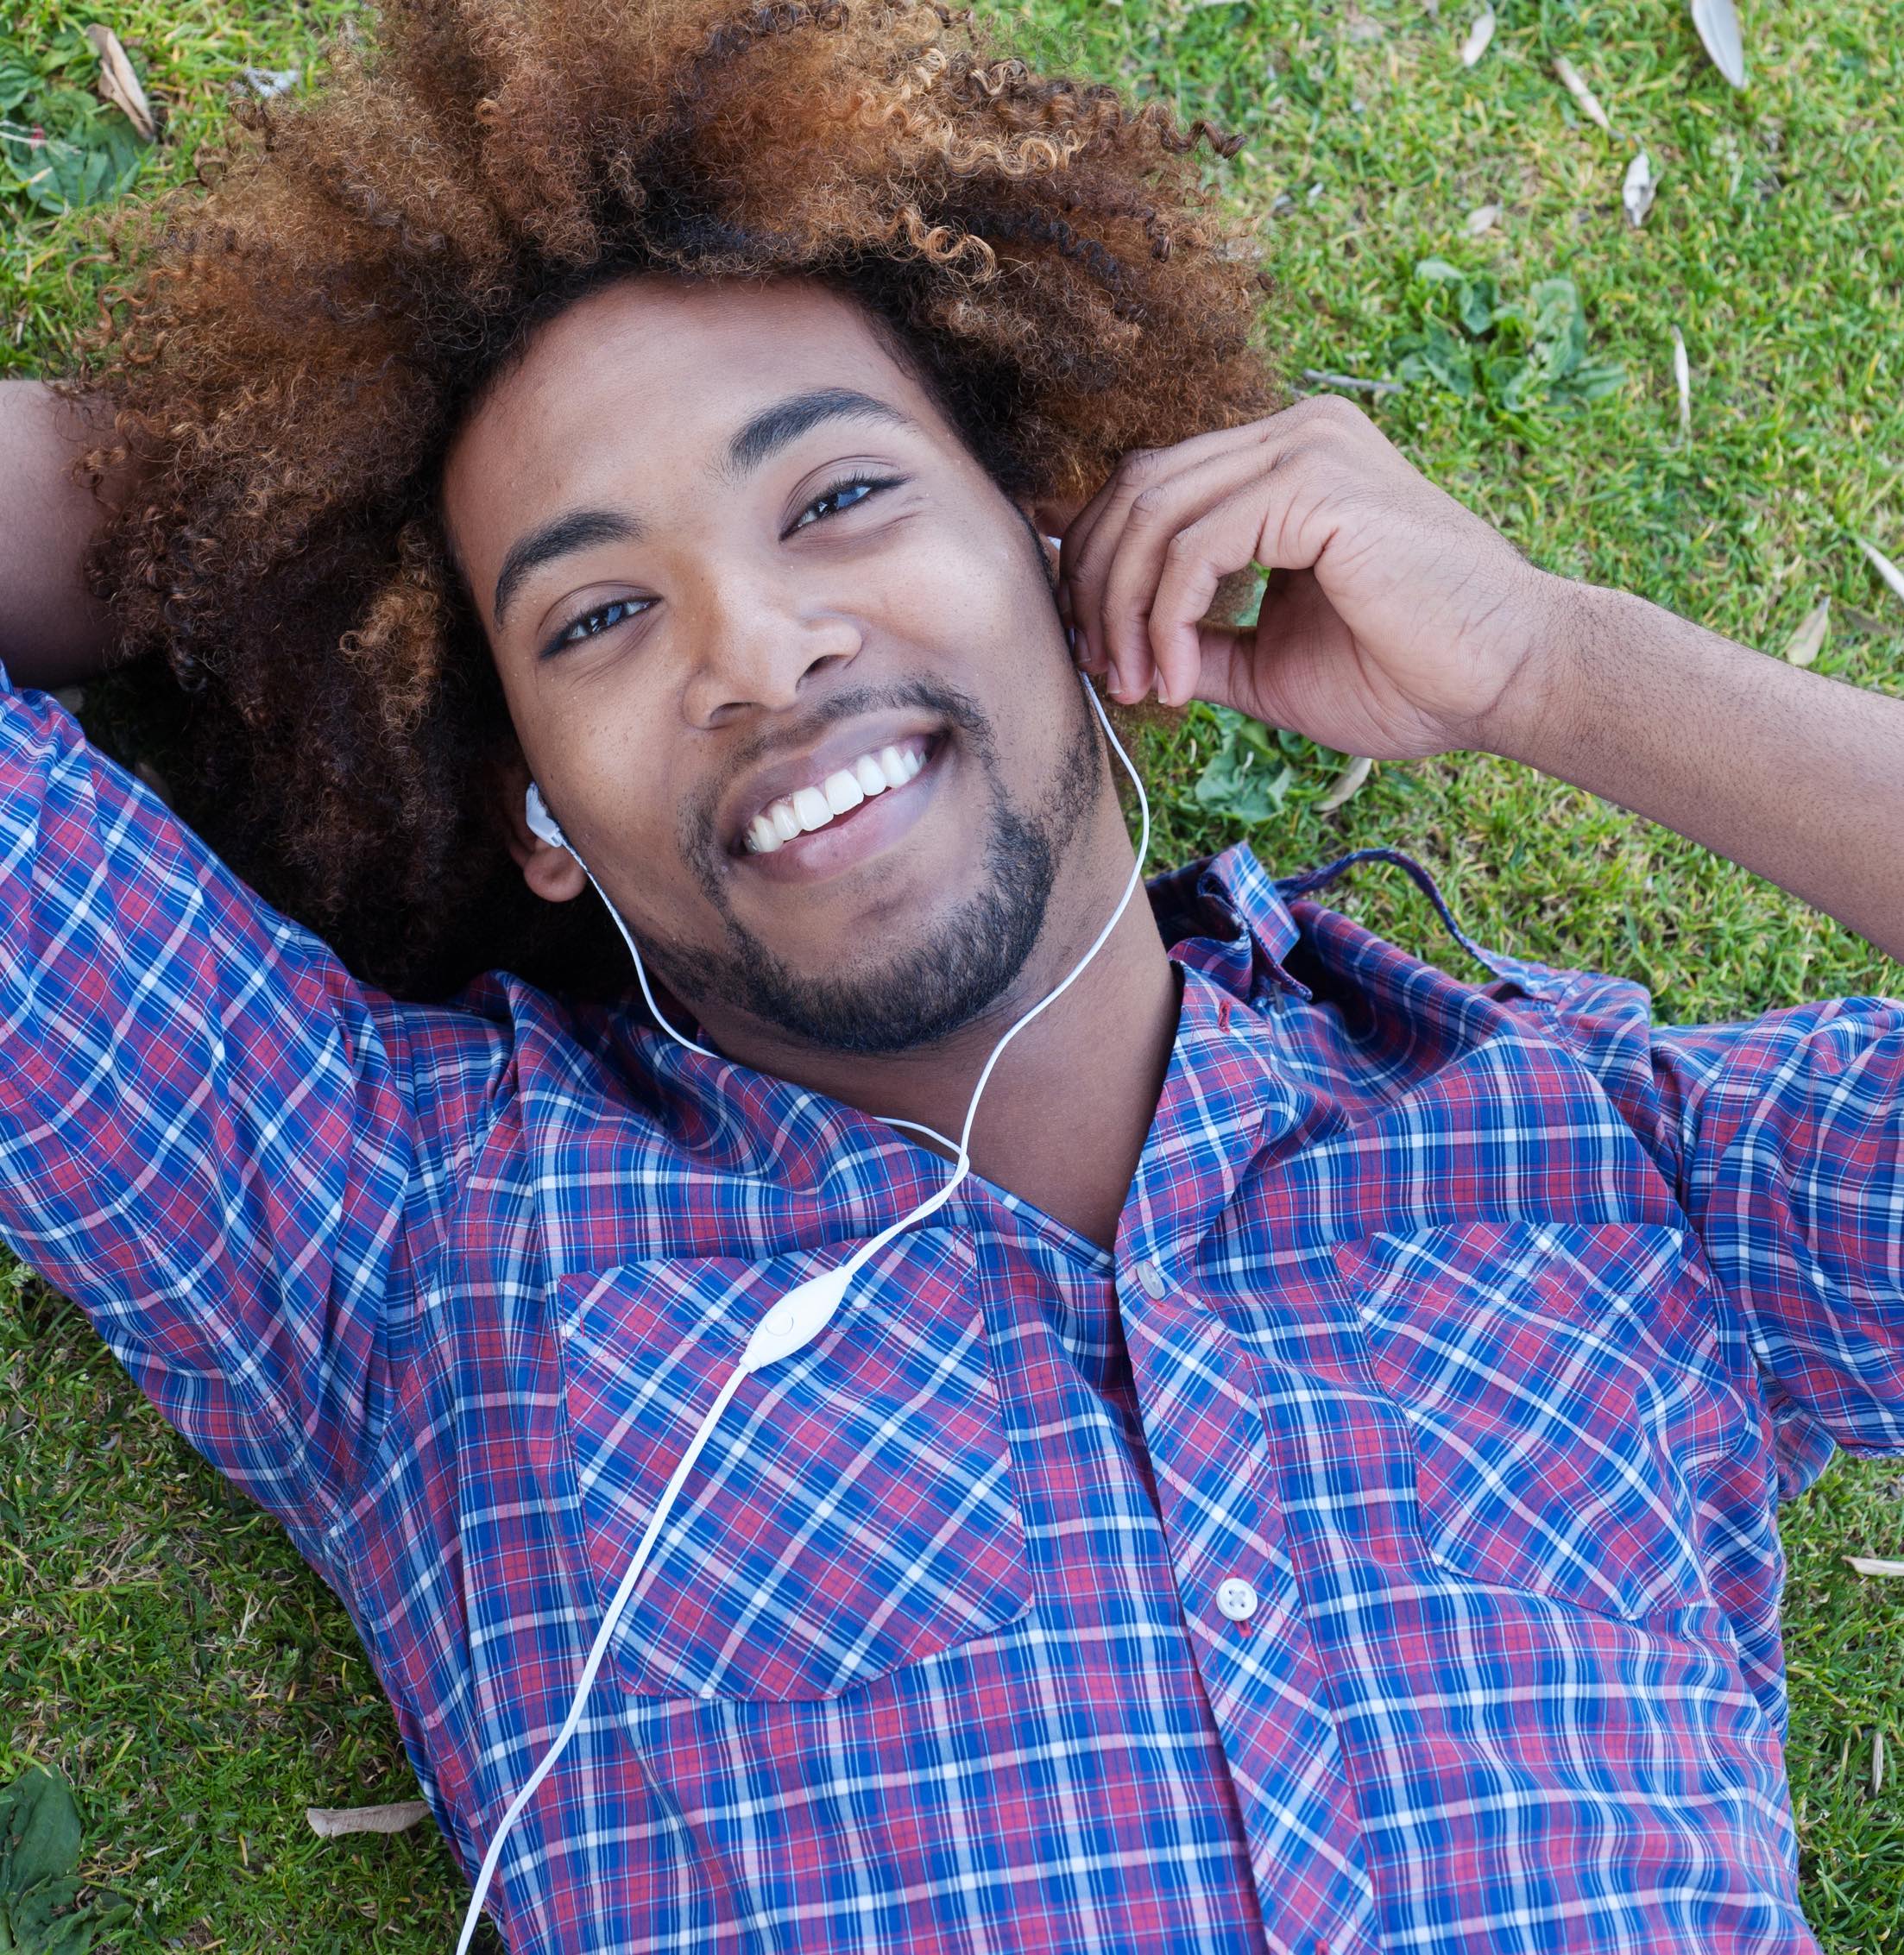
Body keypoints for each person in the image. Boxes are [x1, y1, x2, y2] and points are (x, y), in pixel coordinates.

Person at [2, 0, 1901, 1948]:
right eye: (596, 613)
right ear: (533, 812)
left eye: (834, 496)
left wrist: (1545, 665)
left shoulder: (1613, 1170)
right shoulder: (395, 1227)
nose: (755, 643)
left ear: (1060, 548)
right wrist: (250, 512)